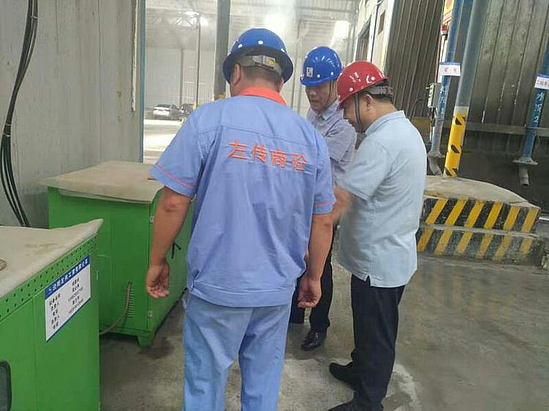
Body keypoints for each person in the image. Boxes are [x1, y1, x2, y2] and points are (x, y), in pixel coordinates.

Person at [145, 28, 334, 411]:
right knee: (262, 388)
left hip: (217, 287)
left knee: (205, 387)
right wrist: (313, 276)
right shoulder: (310, 139)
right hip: (276, 291)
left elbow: (172, 203)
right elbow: (323, 220)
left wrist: (157, 261)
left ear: (234, 72)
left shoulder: (208, 121)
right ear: (281, 81)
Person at [327, 61, 426, 411]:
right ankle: (361, 370)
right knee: (368, 326)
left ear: (366, 100)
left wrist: (314, 230)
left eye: (346, 108)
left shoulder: (382, 142)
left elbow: (343, 199)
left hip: (379, 262)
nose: (346, 118)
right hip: (385, 255)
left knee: (378, 335)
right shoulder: (403, 131)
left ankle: (369, 402)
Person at [290, 46, 356, 351]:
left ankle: (319, 326)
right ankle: (294, 314)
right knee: (297, 258)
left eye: (318, 86)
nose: (312, 93)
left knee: (319, 265)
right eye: (308, 87)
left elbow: (310, 161)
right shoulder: (313, 114)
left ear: (334, 84)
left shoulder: (343, 123)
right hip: (303, 204)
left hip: (326, 210)